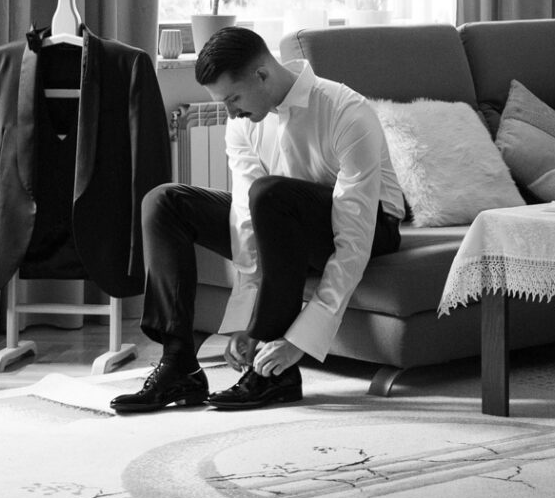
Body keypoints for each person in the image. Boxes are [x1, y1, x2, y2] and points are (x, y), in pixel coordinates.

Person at [112, 26, 404, 413]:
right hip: (278, 220)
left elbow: (354, 238)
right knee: (164, 202)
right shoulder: (243, 123)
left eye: (233, 98)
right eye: (223, 103)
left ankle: (275, 374)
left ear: (262, 74)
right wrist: (243, 324)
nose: (230, 112)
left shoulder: (347, 111)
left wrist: (296, 341)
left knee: (269, 194)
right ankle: (179, 364)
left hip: (371, 225)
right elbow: (245, 221)